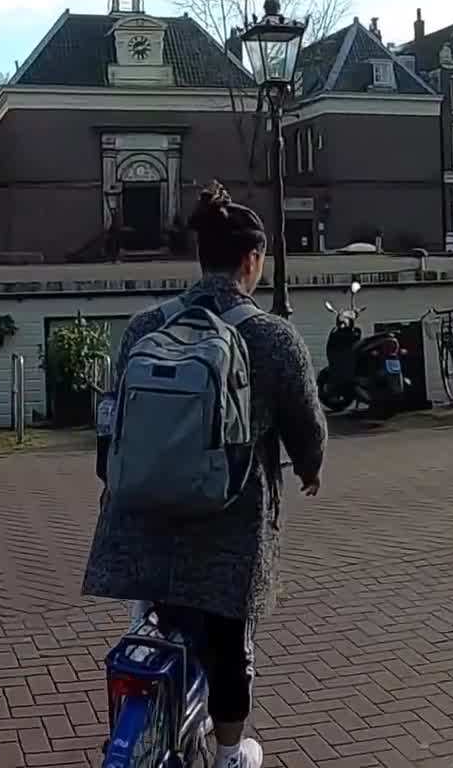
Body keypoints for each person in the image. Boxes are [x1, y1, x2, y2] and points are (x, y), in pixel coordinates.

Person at [83, 182, 327, 768]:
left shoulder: (146, 327)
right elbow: (307, 429)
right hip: (226, 537)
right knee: (228, 646)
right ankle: (227, 754)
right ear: (252, 261)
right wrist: (311, 469)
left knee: (150, 623)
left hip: (139, 524)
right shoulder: (273, 338)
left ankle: (139, 718)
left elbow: (111, 423)